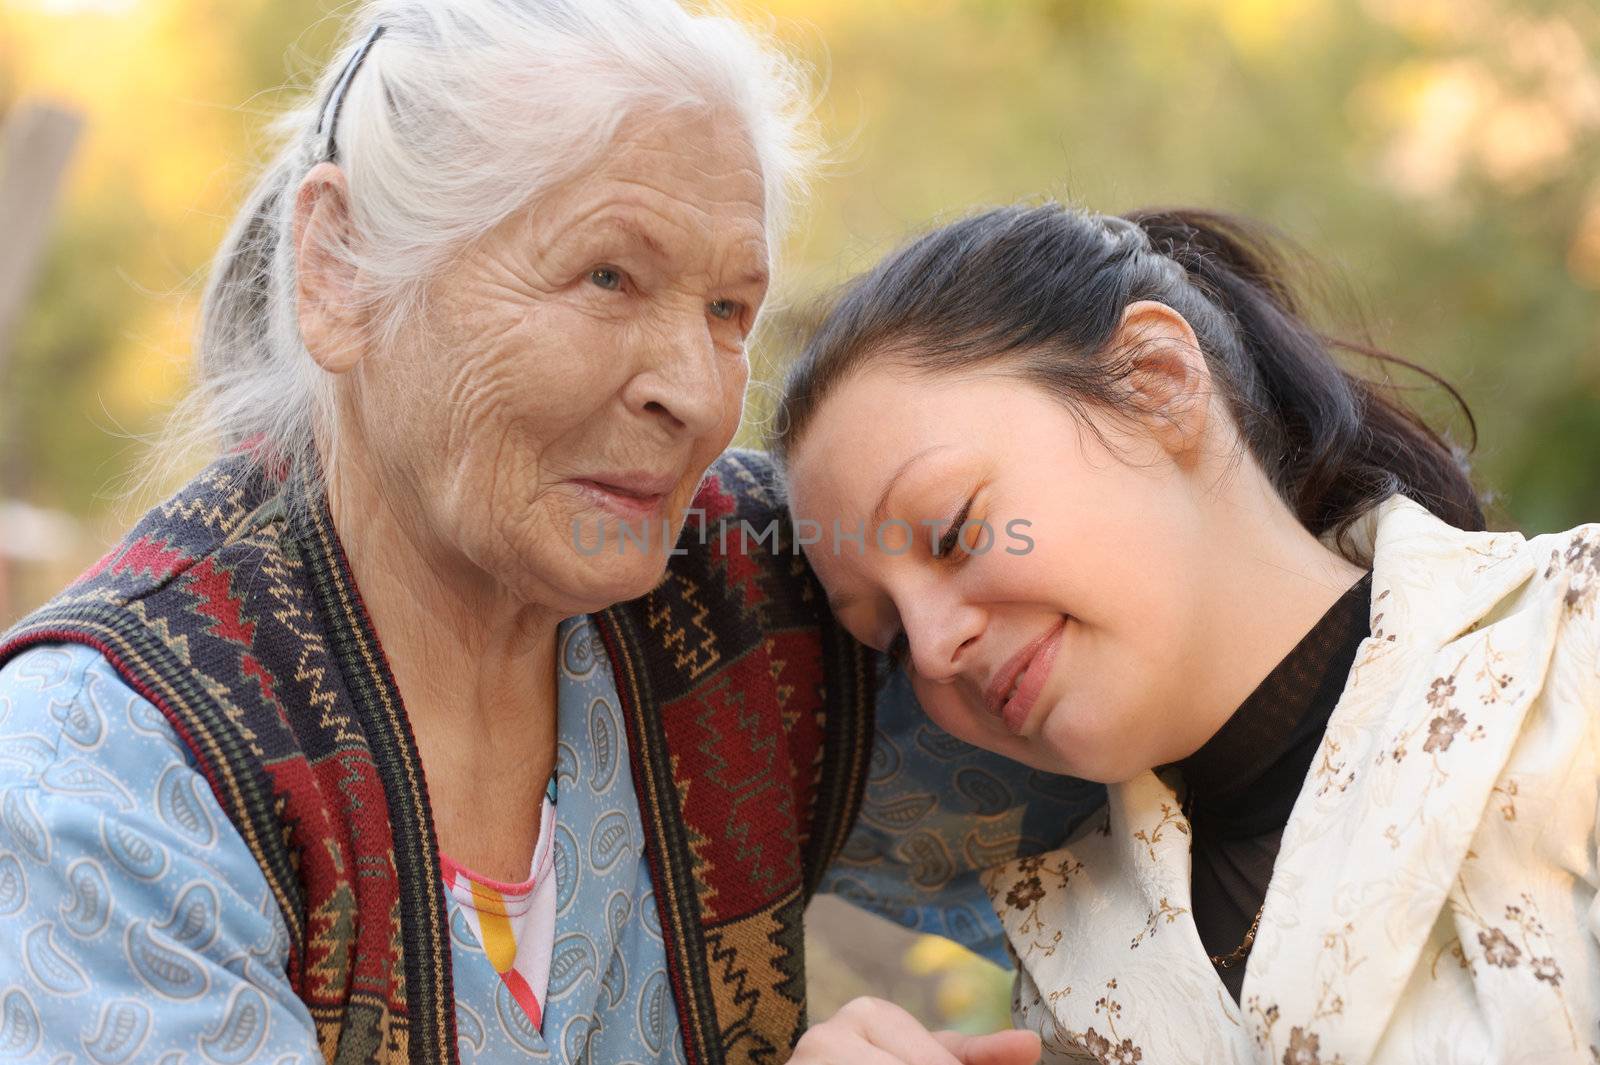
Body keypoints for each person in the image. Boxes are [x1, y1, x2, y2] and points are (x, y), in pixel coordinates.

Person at [0, 6, 1100, 1062]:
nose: (695, 396)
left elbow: (1193, 764)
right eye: (608, 276)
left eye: (728, 311)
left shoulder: (766, 593)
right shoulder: (100, 777)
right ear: (338, 267)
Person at [773, 202, 1600, 1063]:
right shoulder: (1063, 971)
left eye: (952, 530)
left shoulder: (1572, 664)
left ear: (1156, 380)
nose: (935, 648)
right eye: (892, 641)